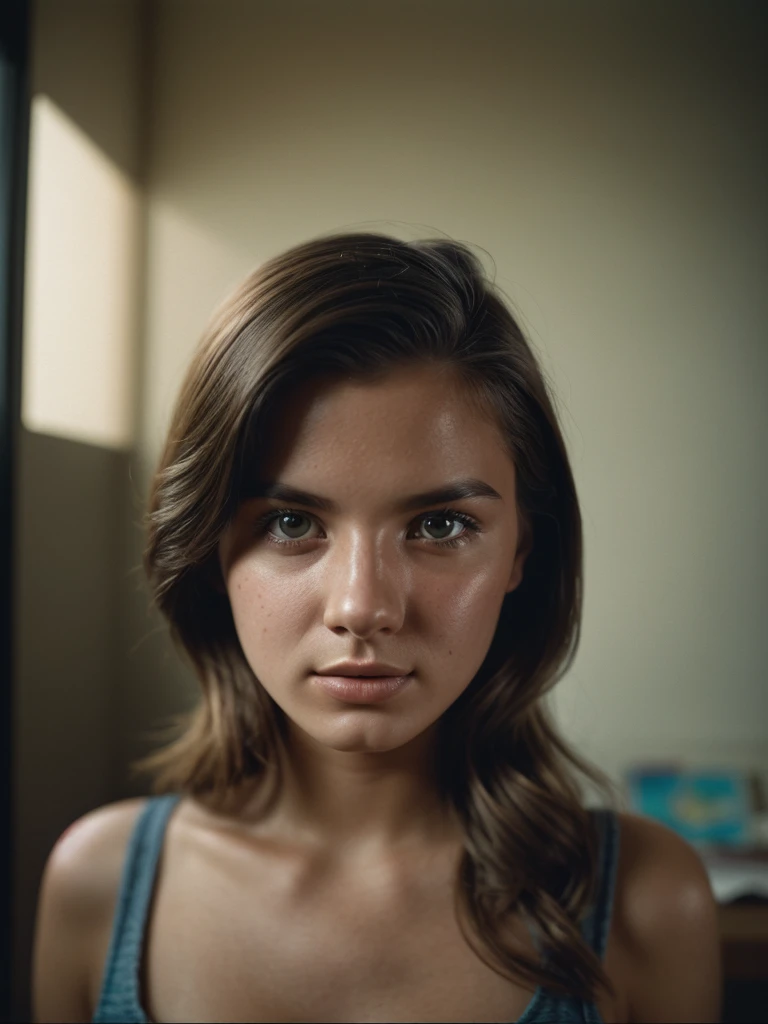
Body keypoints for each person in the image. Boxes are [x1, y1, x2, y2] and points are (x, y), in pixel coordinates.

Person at [31, 231, 721, 1023]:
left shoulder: (646, 903)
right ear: (213, 547)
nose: (362, 606)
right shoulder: (98, 886)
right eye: (292, 521)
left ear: (522, 551)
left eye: (438, 526)